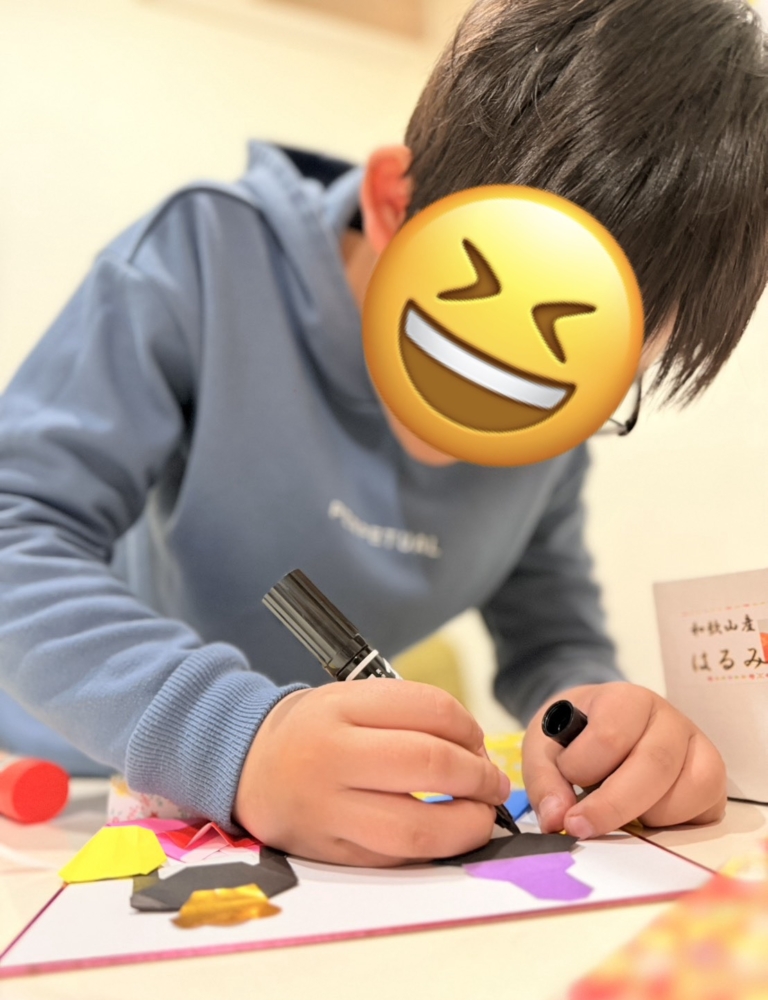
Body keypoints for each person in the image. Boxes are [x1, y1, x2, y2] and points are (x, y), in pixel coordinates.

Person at [0, 0, 766, 866]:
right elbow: (16, 526)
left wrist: (597, 731)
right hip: (56, 784)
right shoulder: (208, 260)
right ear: (393, 206)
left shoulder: (552, 427)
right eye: (473, 344)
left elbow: (551, 635)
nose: (498, 426)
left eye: (577, 386)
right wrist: (239, 740)